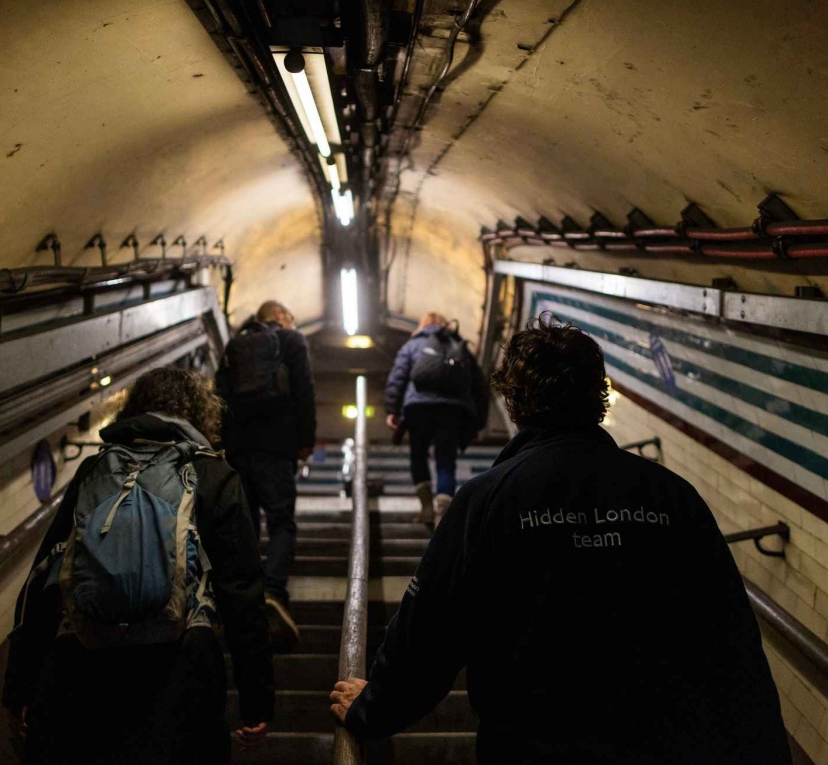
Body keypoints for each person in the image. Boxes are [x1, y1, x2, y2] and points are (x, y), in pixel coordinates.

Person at [331, 315, 792, 764]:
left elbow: (430, 631)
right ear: (601, 395)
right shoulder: (671, 496)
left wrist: (376, 707)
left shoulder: (485, 501)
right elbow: (730, 639)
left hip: (528, 744)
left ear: (513, 403)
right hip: (665, 743)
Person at [3, 367, 273, 764]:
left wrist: (19, 688)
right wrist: (256, 701)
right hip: (181, 670)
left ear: (134, 409)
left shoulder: (94, 470)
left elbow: (44, 578)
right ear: (202, 415)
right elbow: (243, 594)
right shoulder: (213, 474)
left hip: (83, 668)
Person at [216, 300, 316, 649]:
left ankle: (243, 594)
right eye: (290, 317)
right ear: (280, 316)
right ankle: (273, 591)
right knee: (281, 522)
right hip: (277, 445)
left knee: (245, 524)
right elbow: (304, 390)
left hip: (238, 448)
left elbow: (219, 398)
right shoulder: (291, 340)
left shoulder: (235, 343)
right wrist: (306, 440)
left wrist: (222, 445)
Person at [384, 312, 487, 528]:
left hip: (418, 407)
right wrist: (478, 422)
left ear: (422, 325)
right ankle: (444, 511)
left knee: (418, 455)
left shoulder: (412, 346)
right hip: (452, 409)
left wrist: (392, 409)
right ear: (445, 325)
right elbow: (478, 386)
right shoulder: (458, 345)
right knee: (446, 460)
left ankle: (426, 507)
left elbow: (397, 378)